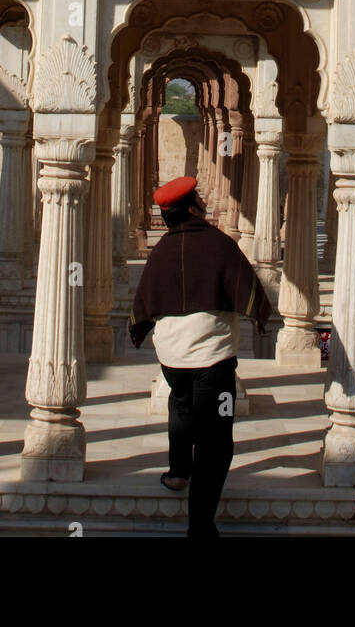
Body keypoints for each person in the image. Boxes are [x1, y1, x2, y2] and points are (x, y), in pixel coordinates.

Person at [129, 175, 271, 538]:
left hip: (172, 359)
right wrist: (258, 316)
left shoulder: (161, 251)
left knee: (181, 406)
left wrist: (140, 328)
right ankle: (201, 526)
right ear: (194, 208)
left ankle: (178, 473)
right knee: (217, 440)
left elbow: (143, 305)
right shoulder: (218, 244)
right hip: (214, 361)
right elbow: (249, 287)